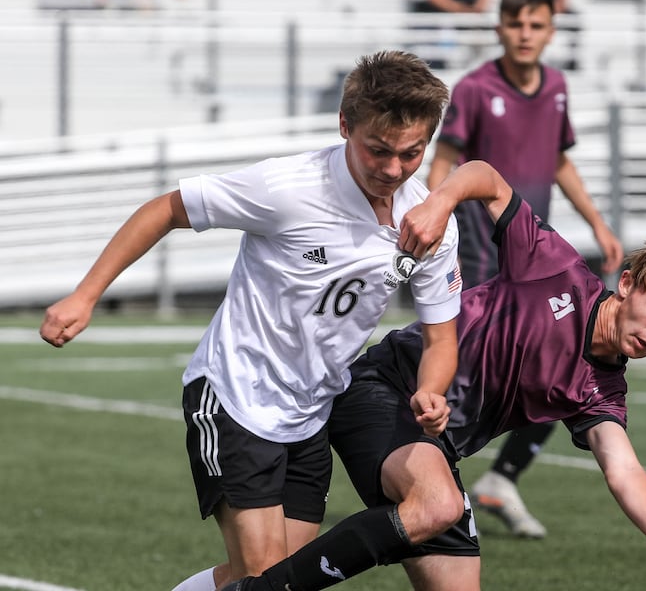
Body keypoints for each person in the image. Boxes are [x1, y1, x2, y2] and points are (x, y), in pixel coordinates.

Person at [222, 159, 646, 591]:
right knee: (437, 505)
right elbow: (485, 176)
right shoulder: (556, 268)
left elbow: (623, 467)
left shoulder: (602, 391)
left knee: (281, 556)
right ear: (628, 284)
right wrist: (440, 201)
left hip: (434, 445)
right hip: (385, 388)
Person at [39, 50, 464, 591]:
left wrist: (432, 388)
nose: (393, 169)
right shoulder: (287, 187)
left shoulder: (429, 223)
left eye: (411, 154)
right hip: (236, 393)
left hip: (311, 411)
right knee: (263, 576)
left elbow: (441, 336)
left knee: (281, 580)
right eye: (377, 150)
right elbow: (167, 209)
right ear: (344, 125)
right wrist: (85, 295)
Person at [425, 0, 625, 538]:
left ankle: (496, 479)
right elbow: (446, 158)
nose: (526, 33)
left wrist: (598, 224)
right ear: (500, 28)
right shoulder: (473, 88)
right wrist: (432, 209)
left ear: (552, 29)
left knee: (567, 368)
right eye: (516, 23)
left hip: (536, 261)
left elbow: (558, 160)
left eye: (537, 23)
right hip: (481, 248)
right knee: (473, 360)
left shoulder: (557, 89)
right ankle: (438, 473)